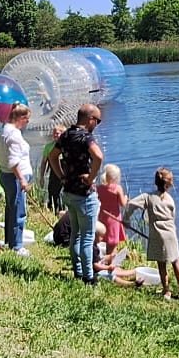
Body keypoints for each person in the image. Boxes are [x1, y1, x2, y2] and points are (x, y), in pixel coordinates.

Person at [54, 104, 105, 284]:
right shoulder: (86, 137)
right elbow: (98, 156)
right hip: (84, 193)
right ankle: (89, 277)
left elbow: (52, 157)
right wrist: (91, 177)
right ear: (90, 118)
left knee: (75, 234)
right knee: (87, 237)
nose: (97, 125)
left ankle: (77, 271)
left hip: (69, 191)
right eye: (97, 121)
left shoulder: (66, 135)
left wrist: (62, 176)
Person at [129, 166, 179, 300]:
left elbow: (131, 204)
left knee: (161, 263)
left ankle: (166, 290)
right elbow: (173, 217)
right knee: (175, 260)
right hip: (170, 234)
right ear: (169, 184)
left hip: (156, 235)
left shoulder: (148, 197)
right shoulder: (170, 200)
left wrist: (126, 219)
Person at [0, 102, 34, 254]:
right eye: (27, 119)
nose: (27, 122)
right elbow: (13, 161)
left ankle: (10, 239)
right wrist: (22, 180)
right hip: (14, 177)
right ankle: (17, 245)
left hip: (7, 175)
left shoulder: (6, 129)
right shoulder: (13, 135)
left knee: (11, 208)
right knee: (19, 211)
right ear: (20, 118)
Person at [95, 163, 128, 275]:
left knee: (105, 239)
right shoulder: (117, 188)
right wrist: (127, 199)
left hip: (103, 217)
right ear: (115, 177)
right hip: (114, 220)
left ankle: (106, 264)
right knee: (113, 243)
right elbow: (122, 204)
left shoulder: (99, 188)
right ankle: (112, 267)